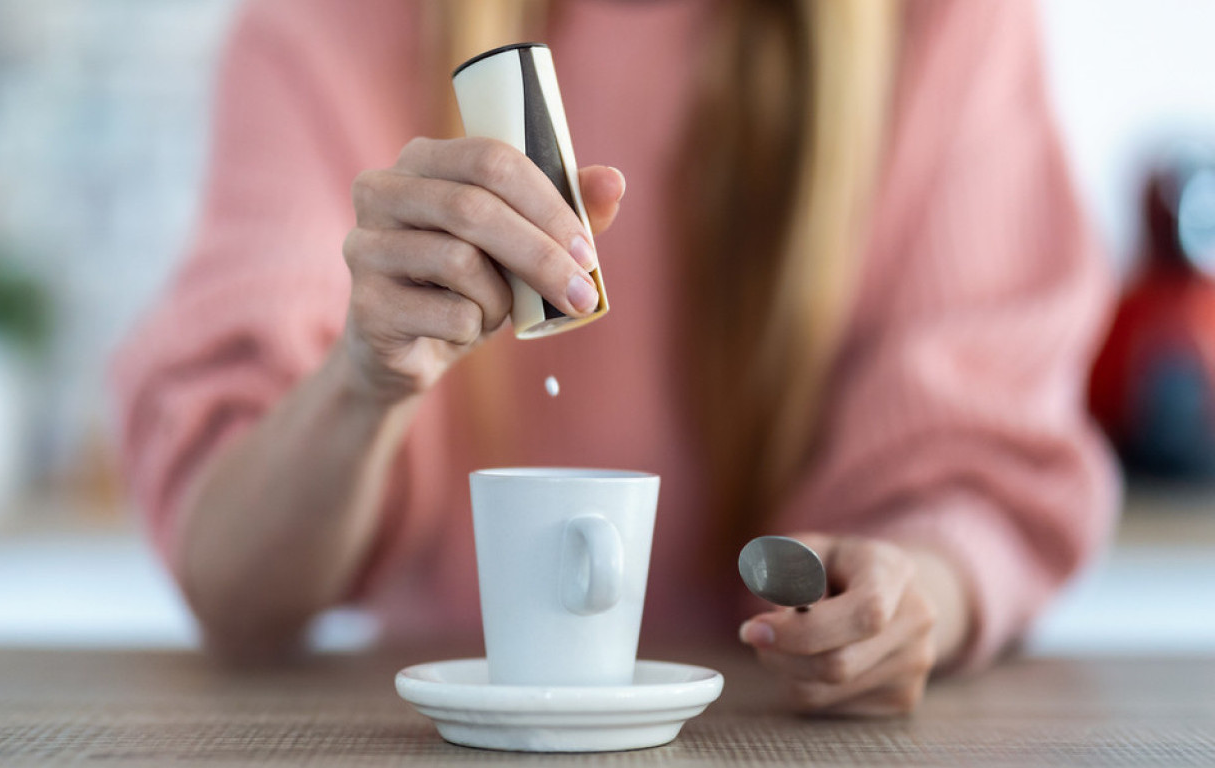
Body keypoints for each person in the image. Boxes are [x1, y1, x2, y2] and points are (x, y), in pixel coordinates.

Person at [113, 0, 1118, 716]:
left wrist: (911, 601)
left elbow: (978, 474)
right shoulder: (323, 30)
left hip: (789, 728)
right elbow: (232, 580)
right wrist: (361, 381)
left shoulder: (940, 25)